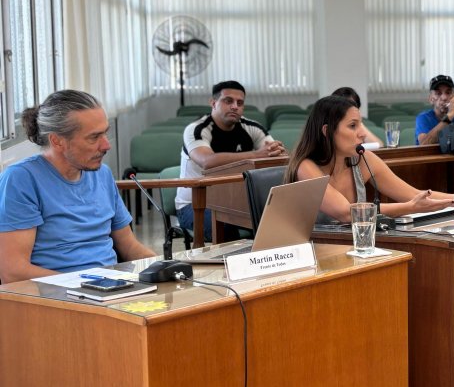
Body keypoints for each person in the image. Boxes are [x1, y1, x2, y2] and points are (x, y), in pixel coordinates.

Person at [0, 90, 156, 283]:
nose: (106, 145)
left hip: (110, 289)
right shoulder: (21, 179)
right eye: (94, 137)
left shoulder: (102, 174)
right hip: (56, 299)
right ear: (57, 141)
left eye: (105, 133)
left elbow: (129, 246)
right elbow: (12, 271)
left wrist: (161, 267)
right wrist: (88, 285)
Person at [284, 96, 454, 223]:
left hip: (352, 247)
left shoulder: (361, 158)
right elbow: (346, 212)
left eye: (360, 124)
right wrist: (410, 207)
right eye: (352, 126)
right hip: (313, 253)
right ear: (326, 131)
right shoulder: (305, 167)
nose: (362, 133)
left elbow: (412, 193)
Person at [175, 80, 286, 242]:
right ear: (213, 103)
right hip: (195, 205)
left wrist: (277, 150)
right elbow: (207, 161)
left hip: (237, 203)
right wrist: (256, 155)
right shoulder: (196, 129)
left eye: (240, 103)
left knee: (278, 220)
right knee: (227, 230)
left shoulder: (252, 128)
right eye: (228, 101)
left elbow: (277, 156)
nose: (235, 106)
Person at [415, 75, 454, 145]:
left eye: (448, 93)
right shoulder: (423, 118)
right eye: (438, 93)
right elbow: (424, 143)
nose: (444, 97)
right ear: (431, 99)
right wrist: (450, 115)